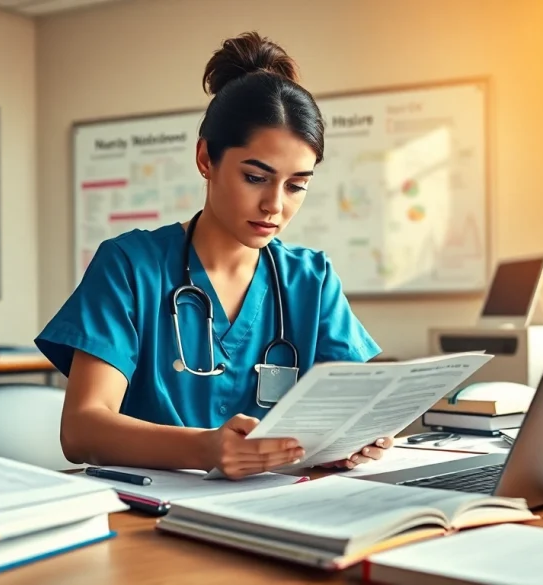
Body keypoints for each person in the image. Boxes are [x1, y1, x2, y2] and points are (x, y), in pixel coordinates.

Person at [36, 31, 384, 480]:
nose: (275, 206)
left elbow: (345, 413)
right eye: (256, 177)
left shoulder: (311, 280)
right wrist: (209, 448)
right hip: (149, 516)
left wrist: (352, 442)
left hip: (279, 508)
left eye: (297, 185)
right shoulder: (129, 266)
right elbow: (82, 430)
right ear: (206, 158)